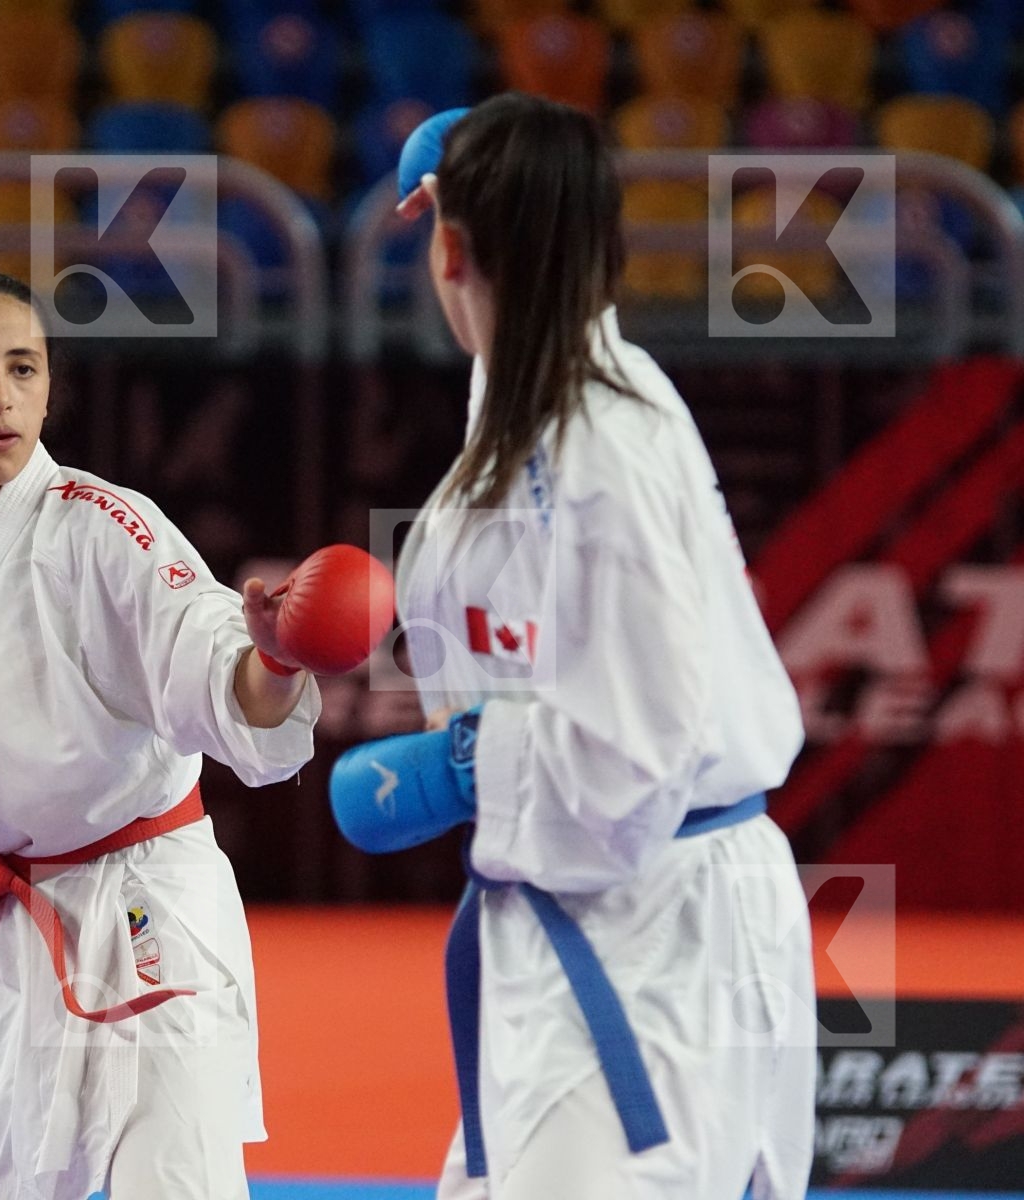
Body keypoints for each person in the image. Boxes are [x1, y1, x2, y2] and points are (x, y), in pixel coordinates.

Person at [328, 95, 817, 1198]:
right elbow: (516, 317)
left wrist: (461, 767)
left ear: (449, 252)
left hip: (650, 925)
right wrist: (488, 163)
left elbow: (634, 746)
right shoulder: (562, 382)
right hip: (609, 913)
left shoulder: (596, 455)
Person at [0, 269, 328, 1200]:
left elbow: (217, 673)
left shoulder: (105, 528)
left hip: (146, 917)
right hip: (6, 925)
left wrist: (279, 655)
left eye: (23, 369)